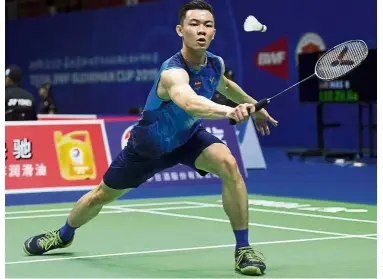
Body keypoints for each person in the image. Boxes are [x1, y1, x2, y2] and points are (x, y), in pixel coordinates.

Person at [23, 0, 278, 276]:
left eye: (208, 25)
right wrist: (232, 111)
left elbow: (225, 85)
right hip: (148, 148)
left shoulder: (215, 64)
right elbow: (190, 102)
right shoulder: (172, 72)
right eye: (194, 24)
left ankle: (243, 249)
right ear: (180, 30)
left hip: (188, 138)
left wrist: (256, 108)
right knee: (99, 196)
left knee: (228, 164)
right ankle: (63, 234)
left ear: (214, 32)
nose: (201, 30)